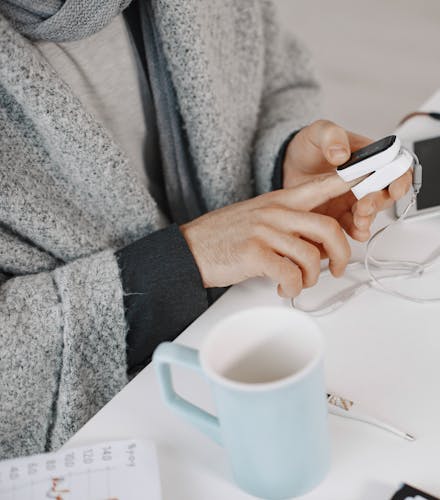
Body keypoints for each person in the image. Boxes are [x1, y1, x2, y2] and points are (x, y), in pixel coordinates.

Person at [0, 0, 412, 458]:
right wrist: (183, 262)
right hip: (118, 442)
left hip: (264, 329)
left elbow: (275, 73)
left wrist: (281, 164)